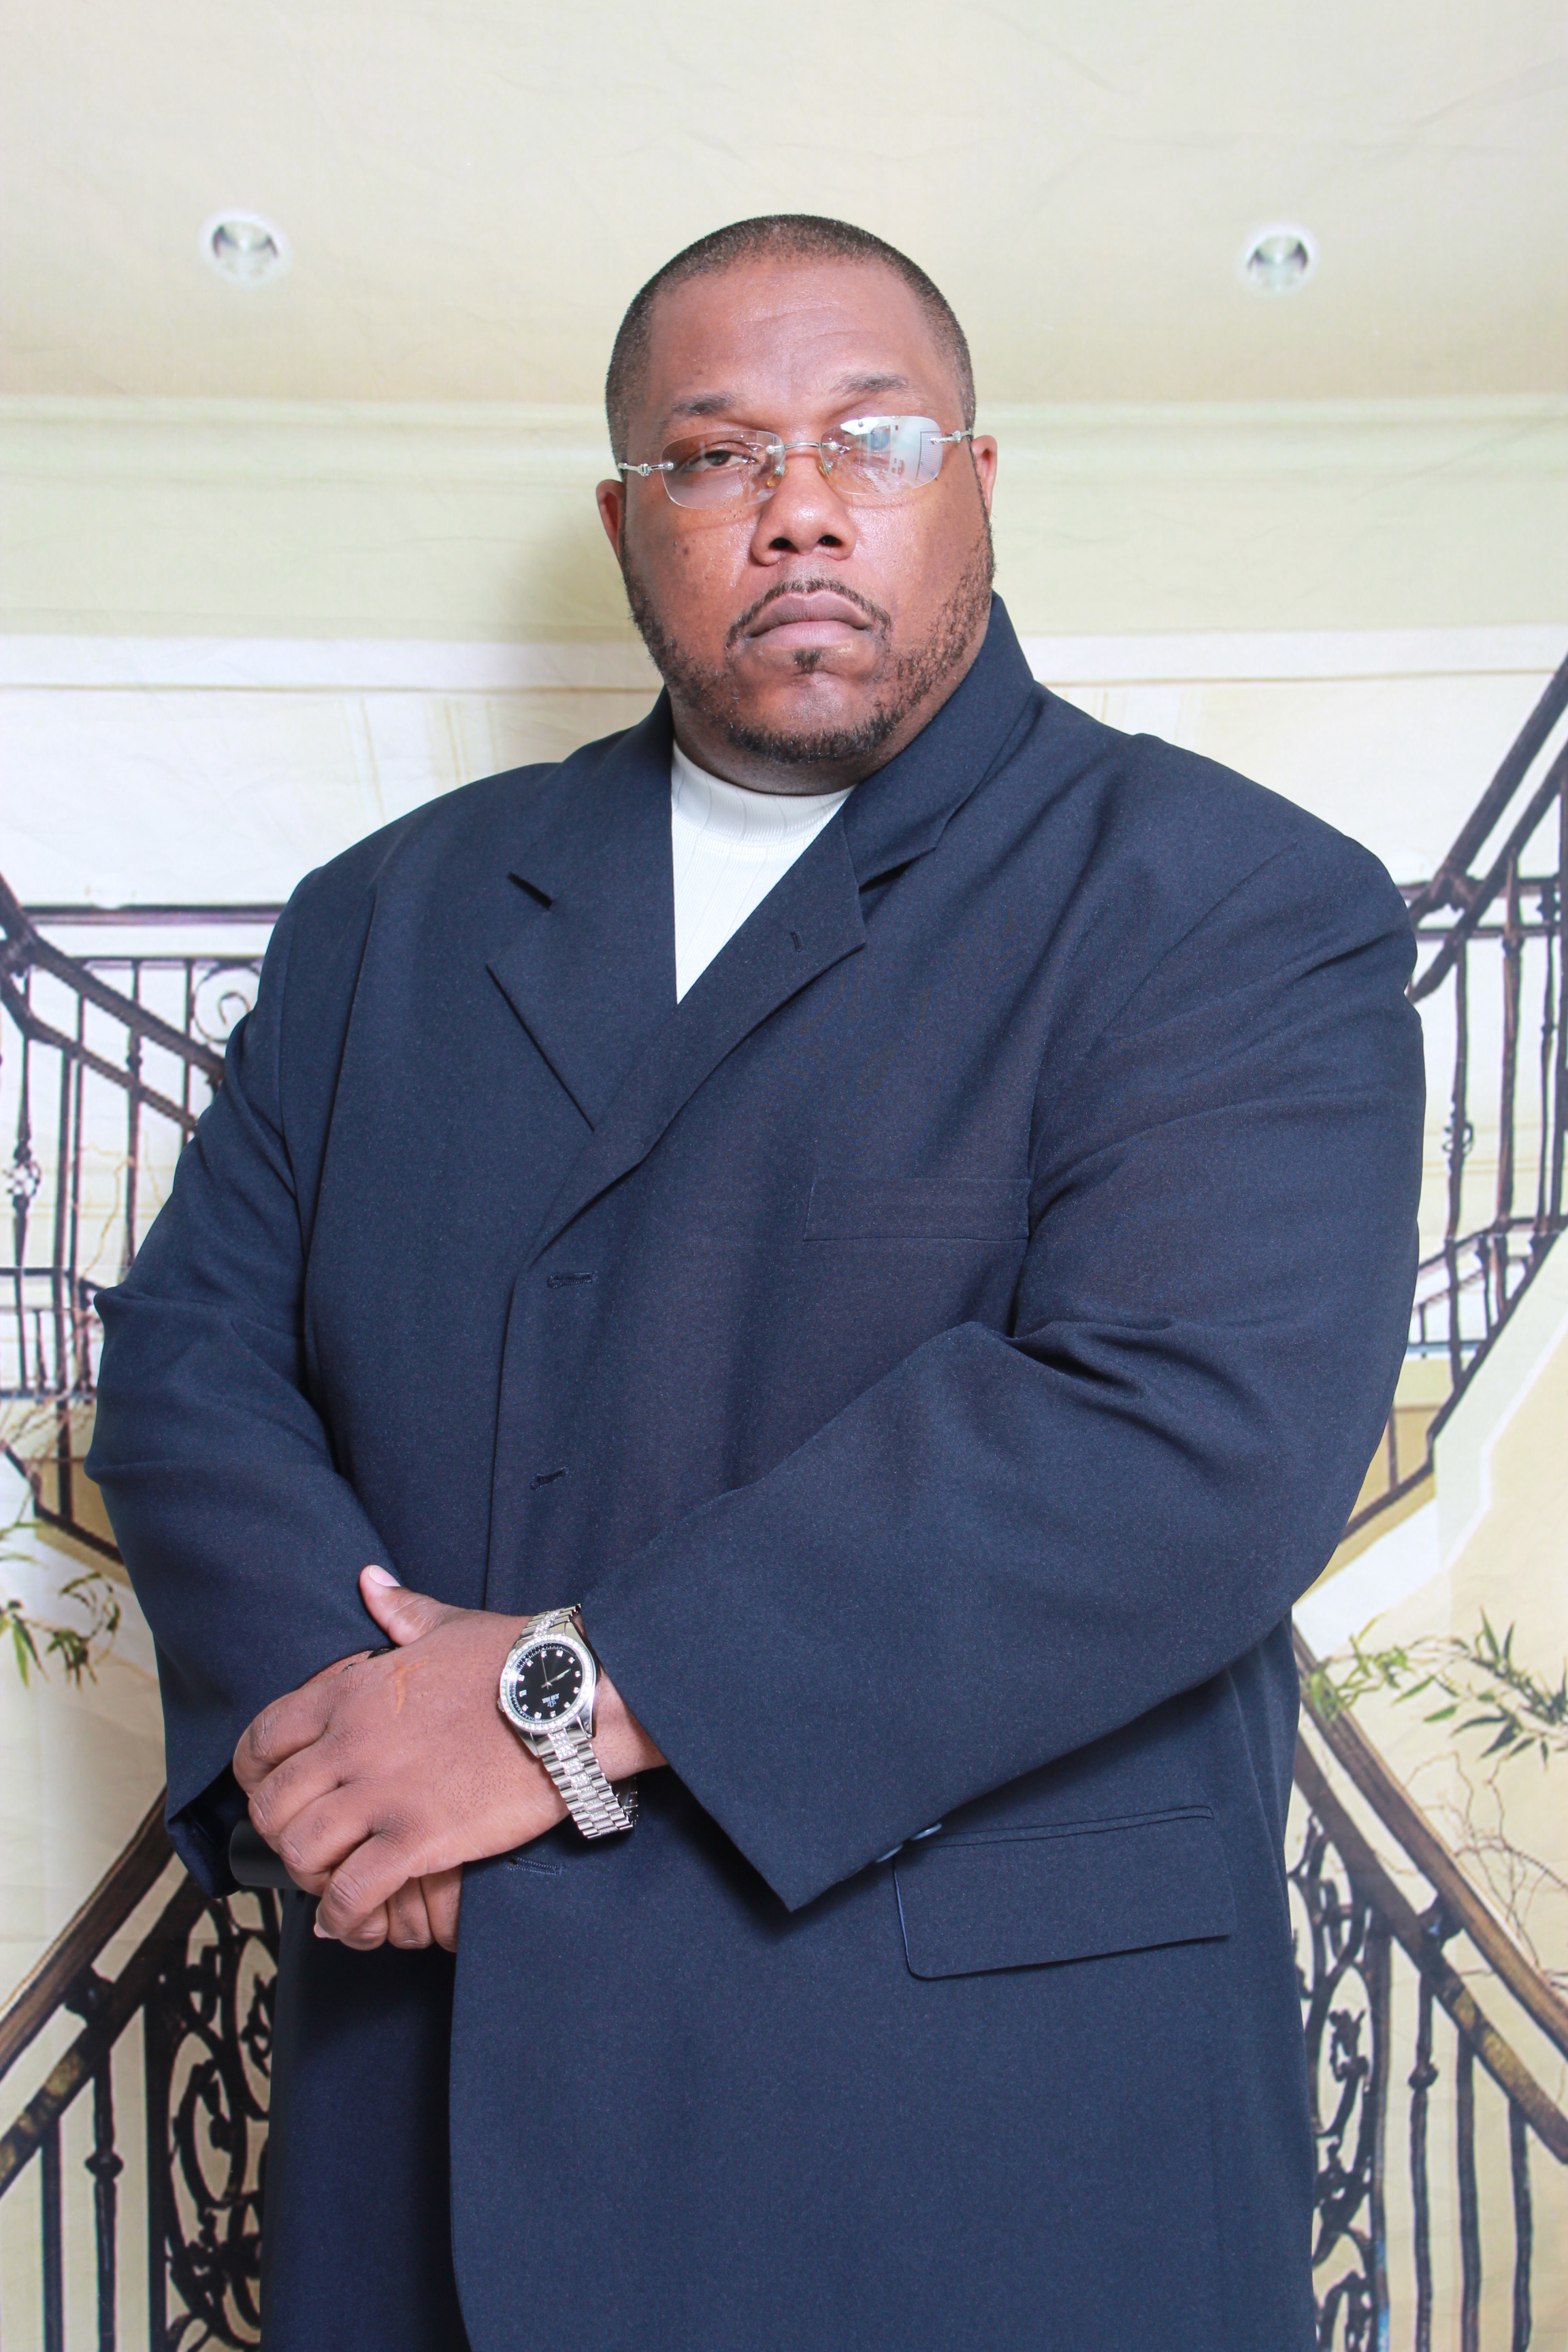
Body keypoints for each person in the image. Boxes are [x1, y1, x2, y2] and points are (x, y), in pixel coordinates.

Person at [88, 214, 1424, 2352]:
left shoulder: (1230, 897)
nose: (798, 504)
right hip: (438, 2095)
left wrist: (540, 1712)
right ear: (630, 521)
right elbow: (188, 1364)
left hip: (983, 2158)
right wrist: (347, 1752)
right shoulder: (385, 919)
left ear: (980, 480)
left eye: (872, 439)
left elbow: (1184, 1433)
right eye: (714, 456)